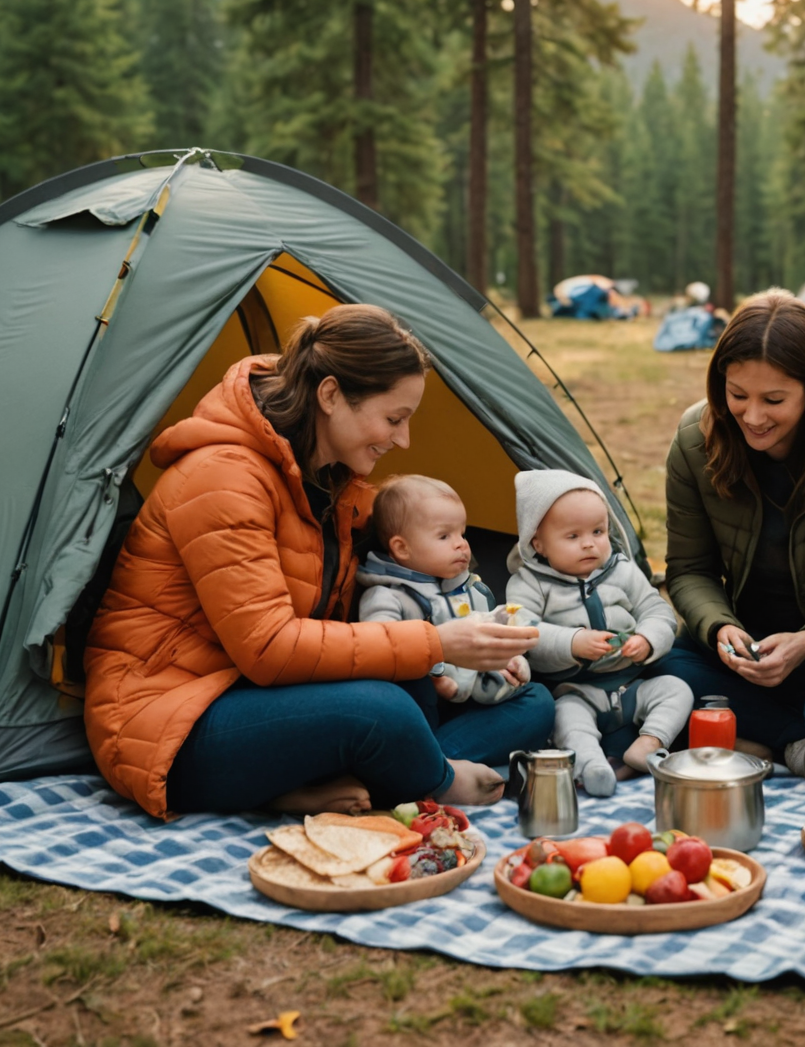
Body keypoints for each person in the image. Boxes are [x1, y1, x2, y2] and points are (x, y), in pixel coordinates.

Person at [83, 305, 546, 820]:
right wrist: (439, 643)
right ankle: (433, 774)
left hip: (276, 697)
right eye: (394, 418)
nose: (403, 439)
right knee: (379, 711)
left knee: (529, 700)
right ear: (329, 395)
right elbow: (270, 649)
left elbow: (414, 564)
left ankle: (364, 771)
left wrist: (478, 641)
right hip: (175, 722)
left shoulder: (330, 481)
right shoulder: (223, 479)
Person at [651, 291, 805, 779]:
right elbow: (689, 571)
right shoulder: (694, 440)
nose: (752, 416)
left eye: (773, 400)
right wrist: (720, 629)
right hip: (739, 657)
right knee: (662, 670)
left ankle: (774, 733)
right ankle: (802, 744)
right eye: (737, 394)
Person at [506, 469, 688, 797]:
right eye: (572, 536)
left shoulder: (622, 571)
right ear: (539, 544)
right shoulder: (528, 584)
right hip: (576, 690)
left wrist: (647, 639)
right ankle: (592, 765)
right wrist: (572, 642)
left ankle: (648, 744)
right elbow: (522, 629)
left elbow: (657, 610)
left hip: (631, 685)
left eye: (598, 531)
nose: (589, 543)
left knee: (676, 689)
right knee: (564, 718)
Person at [356, 474, 531, 705]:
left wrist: (506, 656)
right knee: (419, 690)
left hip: (475, 688)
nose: (461, 543)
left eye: (462, 533)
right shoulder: (387, 598)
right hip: (425, 700)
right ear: (402, 548)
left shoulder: (467, 587)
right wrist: (435, 676)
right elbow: (384, 653)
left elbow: (481, 634)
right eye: (444, 535)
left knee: (539, 698)